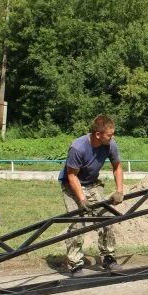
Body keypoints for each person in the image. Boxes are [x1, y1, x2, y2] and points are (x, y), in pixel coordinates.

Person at [59, 114, 125, 276]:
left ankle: (108, 258)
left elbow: (117, 166)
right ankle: (75, 264)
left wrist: (119, 190)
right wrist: (81, 199)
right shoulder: (78, 147)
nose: (112, 137)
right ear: (97, 134)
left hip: (93, 183)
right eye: (109, 134)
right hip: (71, 184)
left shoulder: (110, 145)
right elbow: (72, 175)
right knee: (76, 224)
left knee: (106, 218)